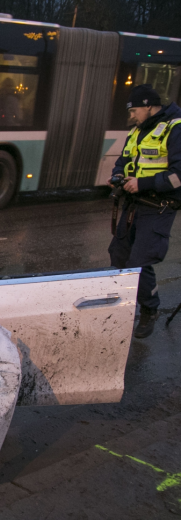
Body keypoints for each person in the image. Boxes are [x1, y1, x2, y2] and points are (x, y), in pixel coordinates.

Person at [110, 84, 181, 338]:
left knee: (139, 262)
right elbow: (125, 159)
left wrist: (142, 183)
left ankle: (149, 310)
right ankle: (124, 311)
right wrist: (118, 174)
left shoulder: (175, 128)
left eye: (135, 111)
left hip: (159, 207)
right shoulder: (139, 130)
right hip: (134, 205)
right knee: (118, 256)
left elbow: (178, 175)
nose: (132, 116)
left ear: (149, 106)